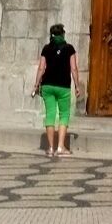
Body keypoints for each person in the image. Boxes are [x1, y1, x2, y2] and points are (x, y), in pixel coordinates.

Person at [32, 23, 77, 157]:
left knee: (50, 114)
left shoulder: (46, 48)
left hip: (47, 85)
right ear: (62, 34)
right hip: (63, 86)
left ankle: (50, 148)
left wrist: (36, 84)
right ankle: (60, 147)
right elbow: (74, 68)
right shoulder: (69, 49)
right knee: (64, 115)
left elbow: (41, 68)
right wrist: (77, 86)